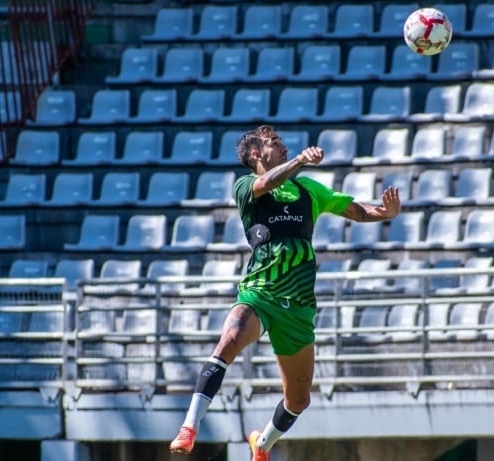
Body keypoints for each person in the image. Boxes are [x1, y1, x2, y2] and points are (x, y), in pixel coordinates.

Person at [169, 125, 401, 460]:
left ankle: (261, 446)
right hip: (259, 293)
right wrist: (301, 162)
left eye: (282, 143)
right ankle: (189, 427)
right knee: (230, 337)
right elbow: (267, 183)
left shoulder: (308, 190)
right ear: (255, 155)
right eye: (274, 143)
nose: (284, 147)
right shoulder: (246, 187)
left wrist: (386, 213)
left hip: (299, 306)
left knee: (298, 399)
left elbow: (356, 210)